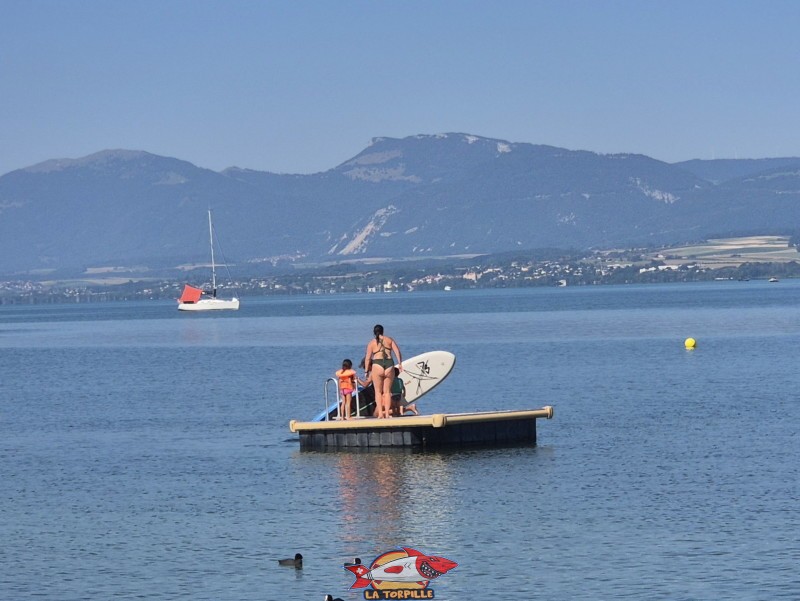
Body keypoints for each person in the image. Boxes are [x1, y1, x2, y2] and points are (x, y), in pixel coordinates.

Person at [364, 324, 402, 418]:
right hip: (389, 364)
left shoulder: (372, 343)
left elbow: (368, 358)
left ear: (374, 332)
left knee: (378, 392)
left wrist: (366, 371)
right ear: (383, 331)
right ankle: (388, 415)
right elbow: (397, 351)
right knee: (387, 392)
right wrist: (400, 363)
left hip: (377, 365)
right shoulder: (389, 340)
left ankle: (381, 413)